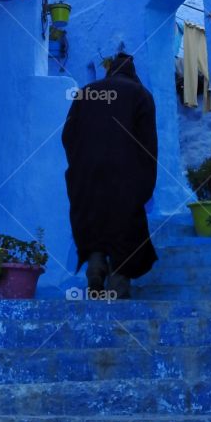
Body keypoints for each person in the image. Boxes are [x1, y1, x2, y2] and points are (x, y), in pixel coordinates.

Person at [61, 53, 158, 300]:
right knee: (124, 225)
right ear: (132, 73)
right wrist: (145, 183)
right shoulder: (141, 95)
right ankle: (119, 280)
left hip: (87, 172)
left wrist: (80, 163)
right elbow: (148, 144)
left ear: (110, 71)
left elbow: (68, 135)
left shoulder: (86, 92)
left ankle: (95, 266)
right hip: (126, 173)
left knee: (93, 220)